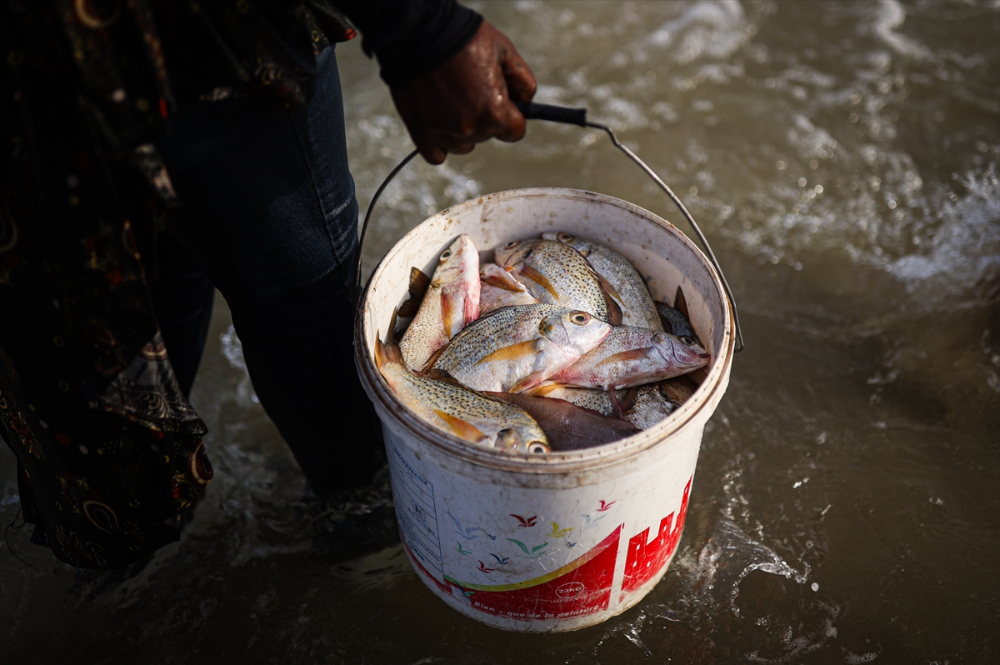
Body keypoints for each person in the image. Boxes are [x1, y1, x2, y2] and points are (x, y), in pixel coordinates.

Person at [0, 0, 536, 569]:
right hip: (208, 41)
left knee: (129, 322)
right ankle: (364, 540)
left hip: (41, 74)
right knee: (285, 314)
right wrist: (421, 29)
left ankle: (126, 586)